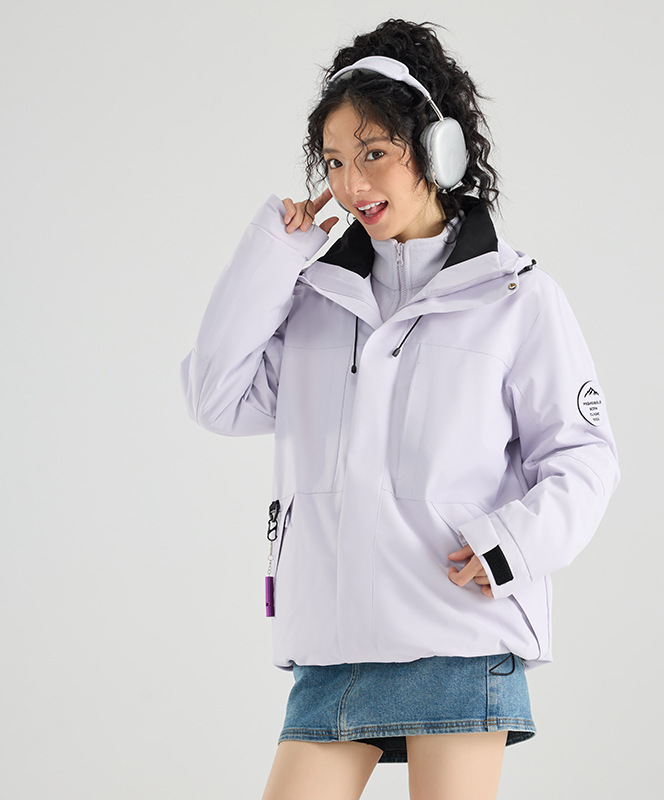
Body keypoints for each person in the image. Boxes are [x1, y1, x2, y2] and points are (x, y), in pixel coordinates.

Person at [180, 18, 620, 800]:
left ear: (437, 149)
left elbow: (584, 457)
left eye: (374, 153)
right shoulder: (314, 299)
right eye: (335, 161)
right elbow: (215, 397)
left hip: (457, 632)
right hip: (334, 645)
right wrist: (272, 254)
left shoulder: (516, 299)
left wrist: (511, 545)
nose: (352, 184)